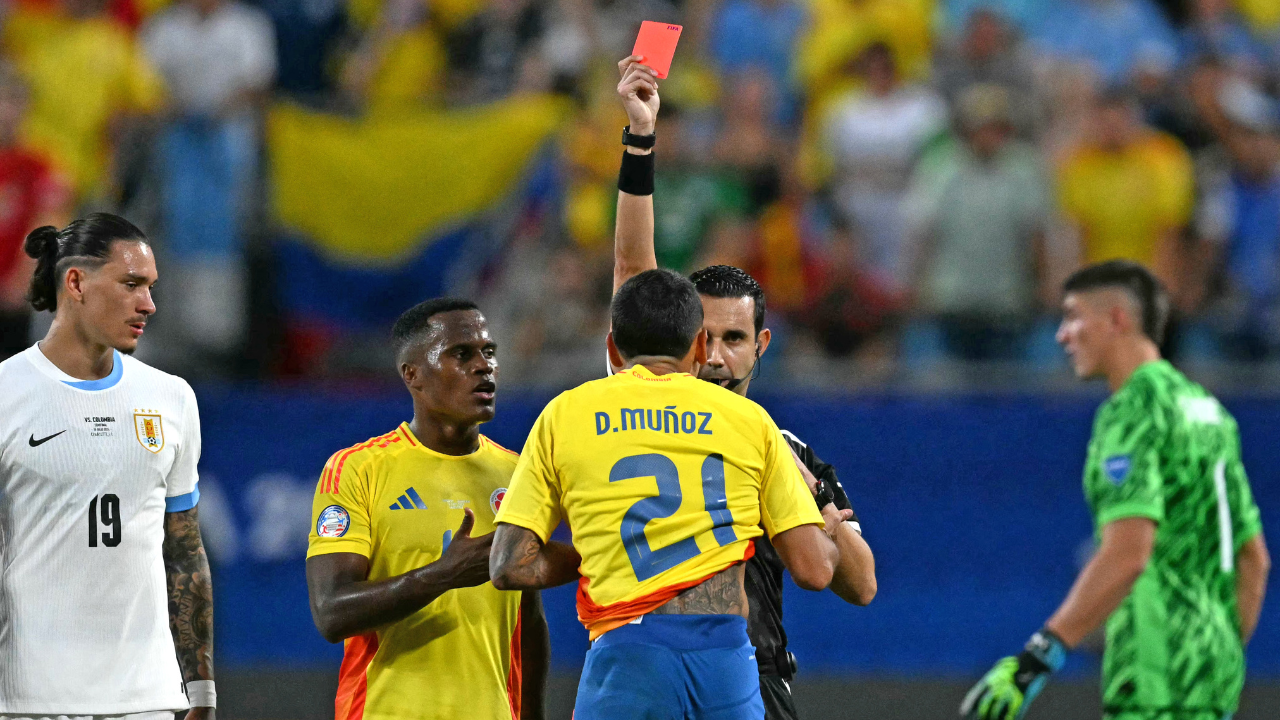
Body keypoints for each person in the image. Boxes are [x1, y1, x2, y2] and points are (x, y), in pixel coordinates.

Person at [609, 55, 878, 719]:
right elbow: (630, 268)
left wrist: (815, 503)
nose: (719, 357)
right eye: (705, 338)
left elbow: (859, 583)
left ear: (761, 345)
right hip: (649, 676)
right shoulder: (640, 403)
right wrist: (640, 138)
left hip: (753, 681)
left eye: (735, 340)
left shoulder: (783, 447)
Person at [489, 268, 839, 720]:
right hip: (725, 666)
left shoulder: (564, 415)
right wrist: (827, 529)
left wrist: (608, 545)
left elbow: (509, 566)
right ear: (698, 345)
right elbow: (814, 570)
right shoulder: (750, 422)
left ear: (613, 347)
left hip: (625, 660)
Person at [962, 261, 1270, 720]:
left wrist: (1033, 662)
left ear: (1117, 320)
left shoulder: (1130, 412)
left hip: (1153, 676)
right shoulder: (1207, 411)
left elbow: (1128, 554)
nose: (1062, 336)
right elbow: (1254, 560)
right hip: (1210, 682)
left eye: (1073, 317)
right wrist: (1216, 660)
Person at [0, 214, 216, 716]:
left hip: (146, 698)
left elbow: (183, 552)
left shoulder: (171, 398)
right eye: (131, 284)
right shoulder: (6, 393)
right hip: (29, 699)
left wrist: (200, 686)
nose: (149, 304)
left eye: (151, 287)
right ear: (75, 282)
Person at [305, 297, 559, 720]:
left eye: (489, 352)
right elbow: (331, 611)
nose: (484, 366)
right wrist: (443, 574)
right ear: (413, 375)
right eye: (462, 354)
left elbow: (528, 622)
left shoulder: (518, 474)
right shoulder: (357, 470)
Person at [0, 63, 70, 359]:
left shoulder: (39, 166)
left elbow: (49, 225)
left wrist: (23, 278)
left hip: (13, 300)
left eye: (14, 102)